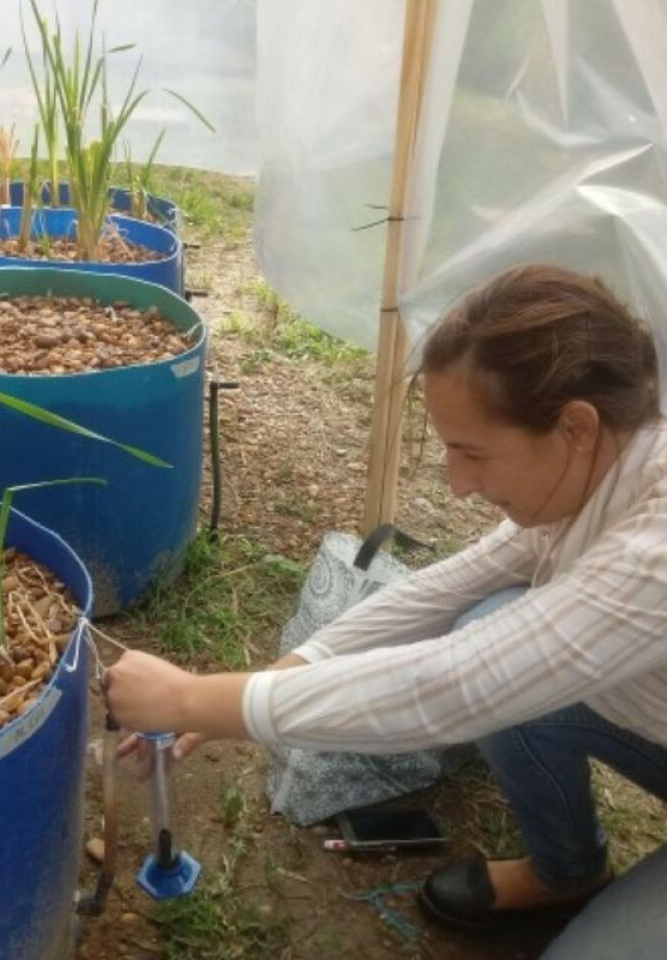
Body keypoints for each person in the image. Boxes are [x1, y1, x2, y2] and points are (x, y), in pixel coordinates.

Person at [103, 263, 667, 957]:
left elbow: (454, 687)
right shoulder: (599, 467)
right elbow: (440, 590)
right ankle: (568, 872)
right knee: (485, 617)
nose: (458, 486)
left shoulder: (656, 544)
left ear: (576, 426)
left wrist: (195, 701)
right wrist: (275, 675)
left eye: (472, 452)